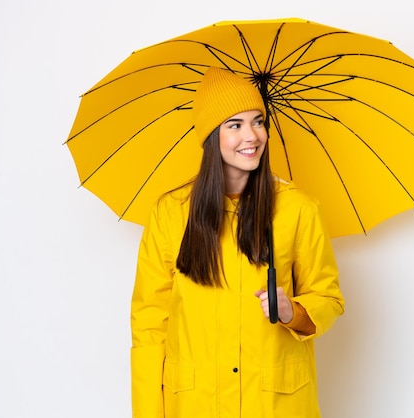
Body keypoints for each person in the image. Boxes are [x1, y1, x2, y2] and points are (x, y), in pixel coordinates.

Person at [130, 67, 344, 418]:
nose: (252, 135)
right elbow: (149, 323)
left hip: (275, 404)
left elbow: (329, 297)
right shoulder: (171, 212)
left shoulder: (297, 208)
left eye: (258, 121)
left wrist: (295, 312)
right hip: (196, 403)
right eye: (235, 125)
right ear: (211, 136)